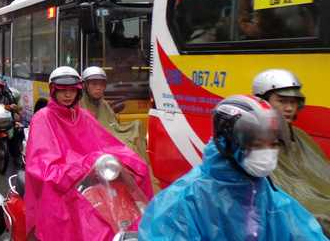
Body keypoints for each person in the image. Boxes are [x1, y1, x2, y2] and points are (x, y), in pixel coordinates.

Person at [139, 95, 327, 240]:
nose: (268, 152)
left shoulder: (268, 195)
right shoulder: (184, 201)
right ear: (228, 142)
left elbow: (305, 233)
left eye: (273, 143)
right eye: (258, 143)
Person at [25, 66, 153, 241]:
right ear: (53, 91)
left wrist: (130, 162)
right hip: (64, 182)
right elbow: (43, 166)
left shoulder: (85, 116)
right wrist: (82, 166)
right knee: (84, 211)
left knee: (136, 174)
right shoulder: (43, 117)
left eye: (72, 90)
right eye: (63, 91)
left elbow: (107, 144)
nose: (68, 95)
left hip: (92, 177)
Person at [252, 69, 330, 236]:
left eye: (293, 102)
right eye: (282, 101)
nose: (289, 108)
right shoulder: (250, 138)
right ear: (263, 102)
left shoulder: (299, 136)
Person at [79, 66, 161, 193]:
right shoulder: (79, 103)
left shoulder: (104, 104)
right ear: (84, 85)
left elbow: (114, 126)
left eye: (101, 84)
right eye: (94, 84)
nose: (98, 88)